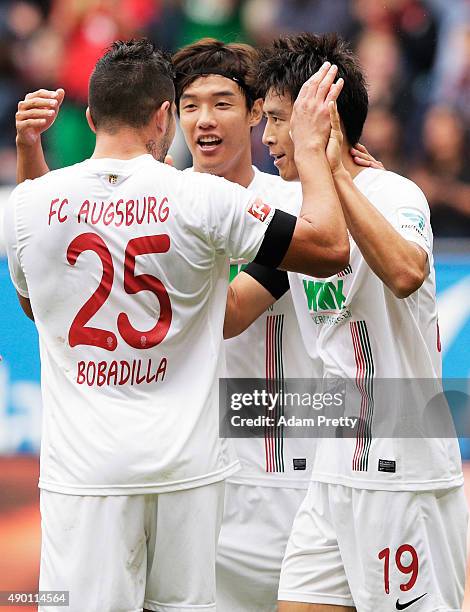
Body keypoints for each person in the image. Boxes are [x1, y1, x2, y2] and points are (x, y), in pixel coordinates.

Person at [9, 38, 350, 612]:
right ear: (166, 114)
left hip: (267, 474)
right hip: (194, 469)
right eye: (190, 104)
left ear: (256, 115)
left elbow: (40, 277)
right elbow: (324, 249)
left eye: (223, 103)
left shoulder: (268, 198)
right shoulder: (195, 197)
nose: (205, 120)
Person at [227, 33, 467, 612]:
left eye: (282, 120)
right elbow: (233, 310)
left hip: (400, 469)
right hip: (334, 470)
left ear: (323, 120)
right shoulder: (299, 216)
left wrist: (332, 173)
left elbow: (407, 272)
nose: (268, 137)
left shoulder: (394, 192)